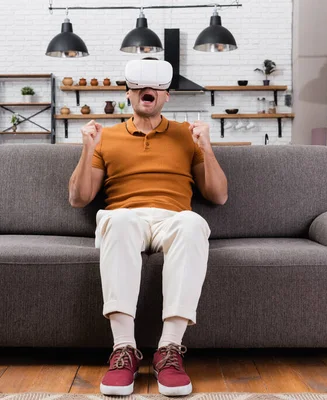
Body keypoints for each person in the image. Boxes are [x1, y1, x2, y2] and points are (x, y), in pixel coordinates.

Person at [68, 59, 228, 397]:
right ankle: (123, 350)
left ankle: (169, 351)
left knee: (193, 223)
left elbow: (218, 196)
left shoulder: (187, 135)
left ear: (166, 96)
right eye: (140, 86)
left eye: (155, 86)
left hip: (174, 219)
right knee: (121, 219)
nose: (147, 91)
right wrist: (87, 149)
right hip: (126, 217)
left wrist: (206, 148)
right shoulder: (106, 137)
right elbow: (79, 198)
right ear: (128, 93)